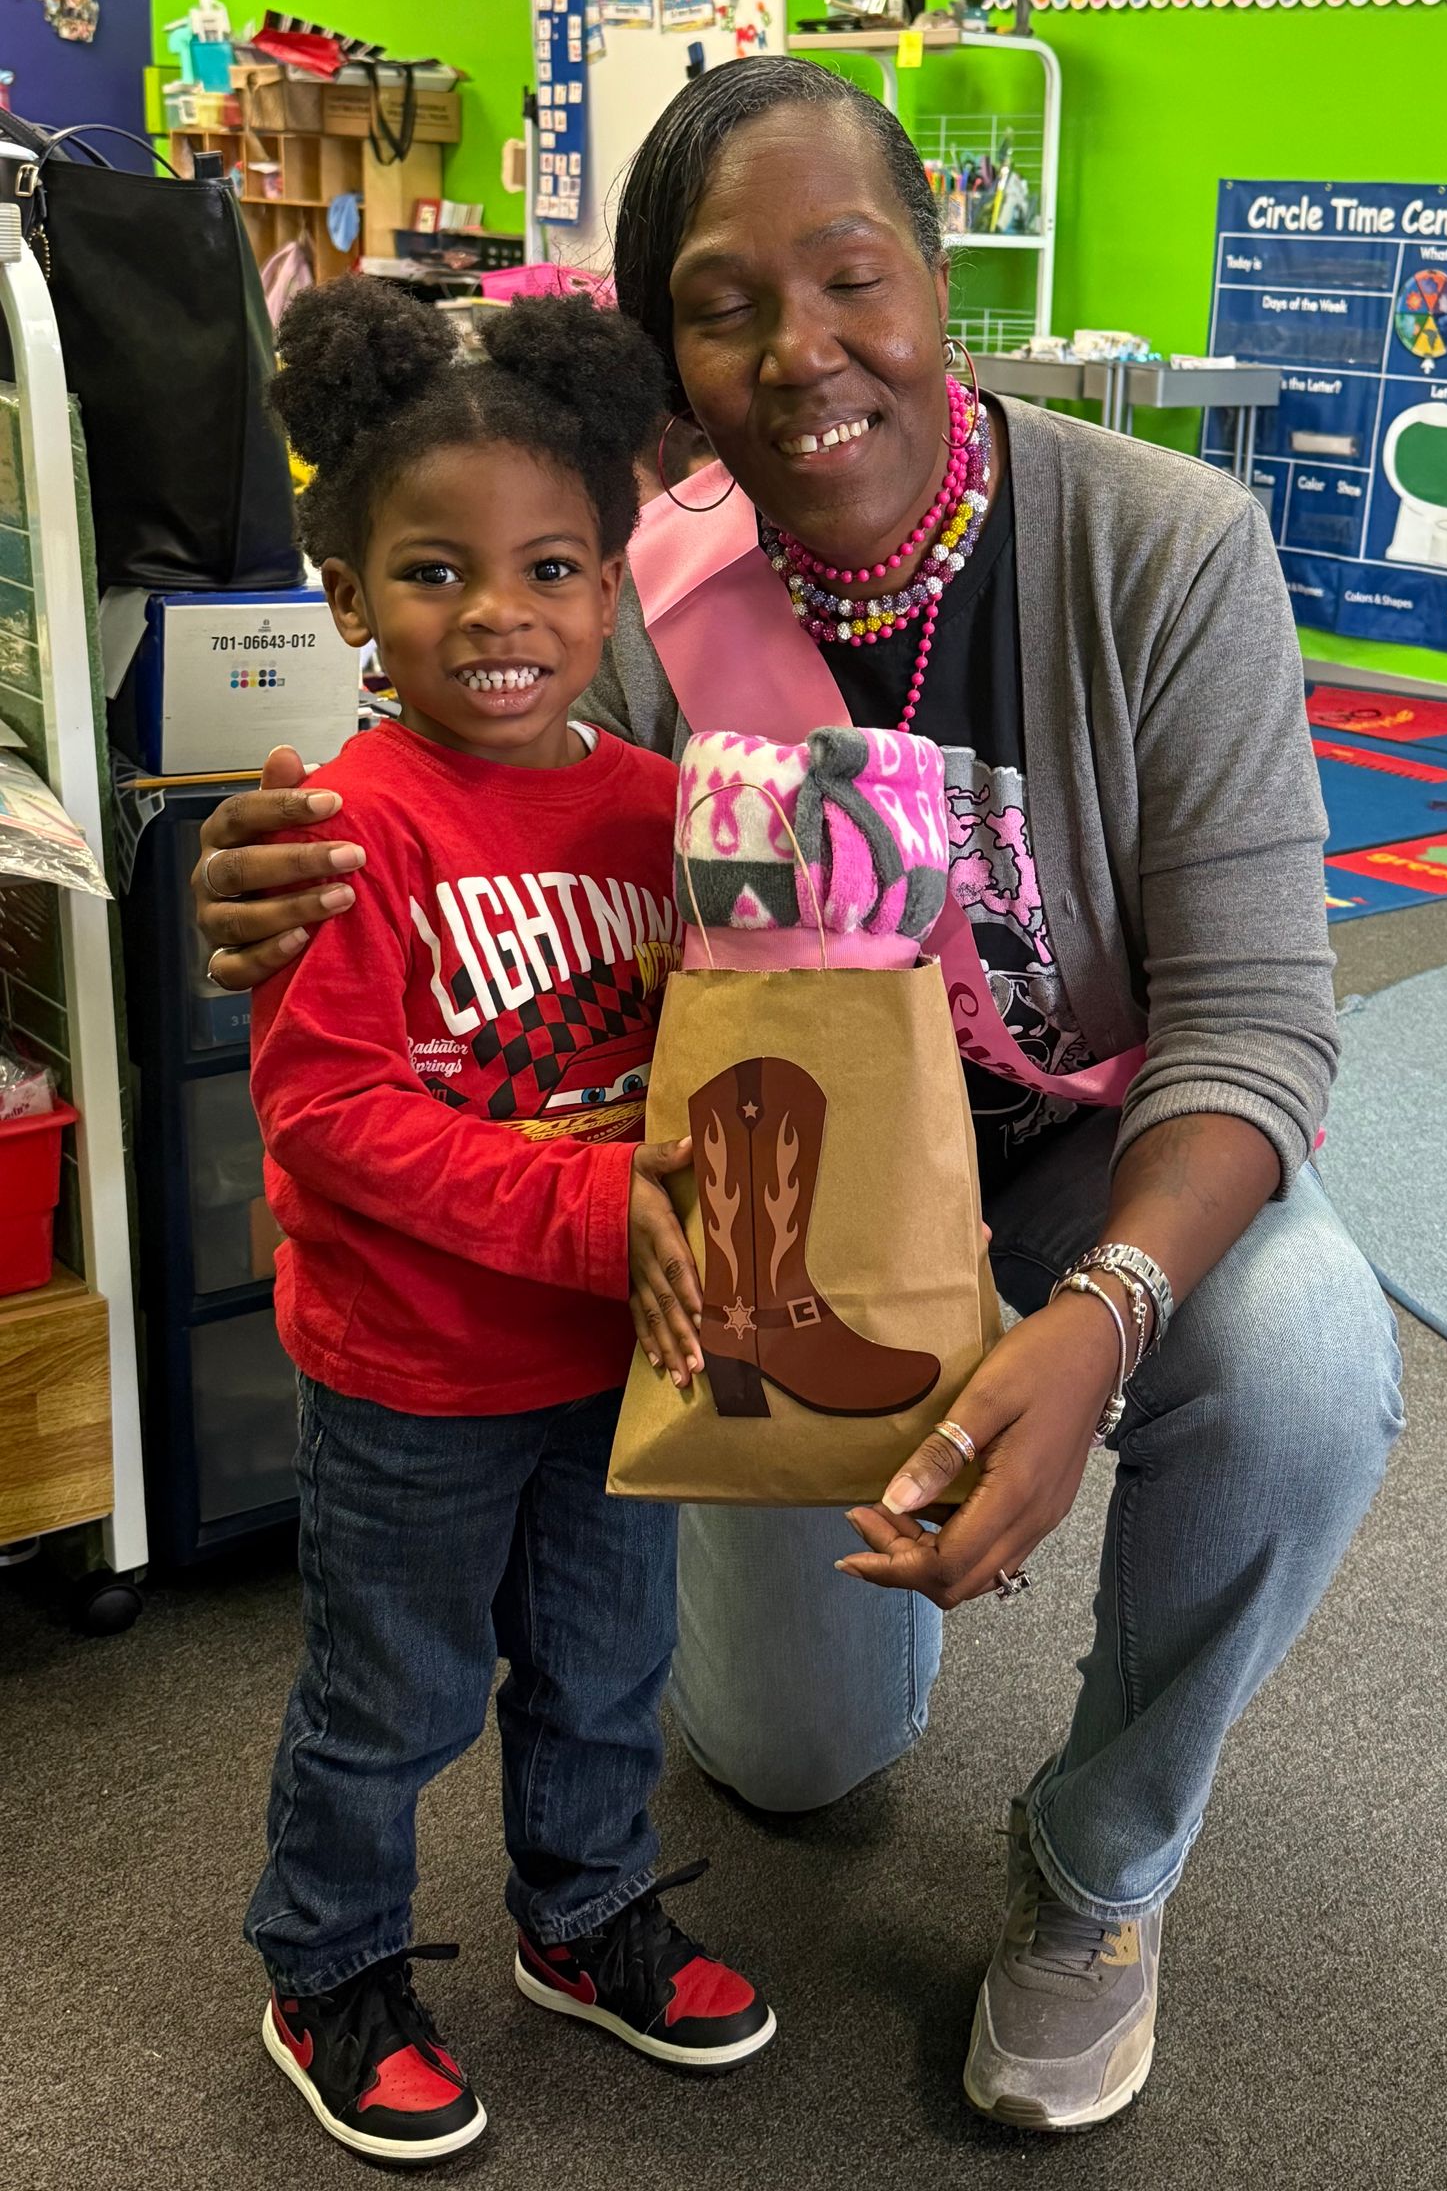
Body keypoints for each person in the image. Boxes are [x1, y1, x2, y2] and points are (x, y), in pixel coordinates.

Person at [198, 58, 1404, 2136]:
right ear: (665, 359)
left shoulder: (1164, 549)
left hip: (1077, 1161)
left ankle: (1096, 1878)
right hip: (750, 1227)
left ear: (940, 279)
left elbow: (1262, 1020)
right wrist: (282, 873)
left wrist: (1098, 1304)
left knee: (1300, 1353)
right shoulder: (632, 597)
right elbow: (452, 820)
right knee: (792, 1759)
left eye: (852, 276)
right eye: (726, 300)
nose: (802, 347)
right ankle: (454, 1913)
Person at [242, 283, 773, 2167]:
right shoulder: (344, 822)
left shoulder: (669, 815)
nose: (498, 614)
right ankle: (331, 1962)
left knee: (609, 1669)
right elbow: (332, 1115)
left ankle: (584, 1911)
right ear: (348, 602)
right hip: (415, 1379)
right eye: (433, 572)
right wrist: (592, 1199)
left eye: (552, 567)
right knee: (386, 1695)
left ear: (614, 594)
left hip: (619, 1369)